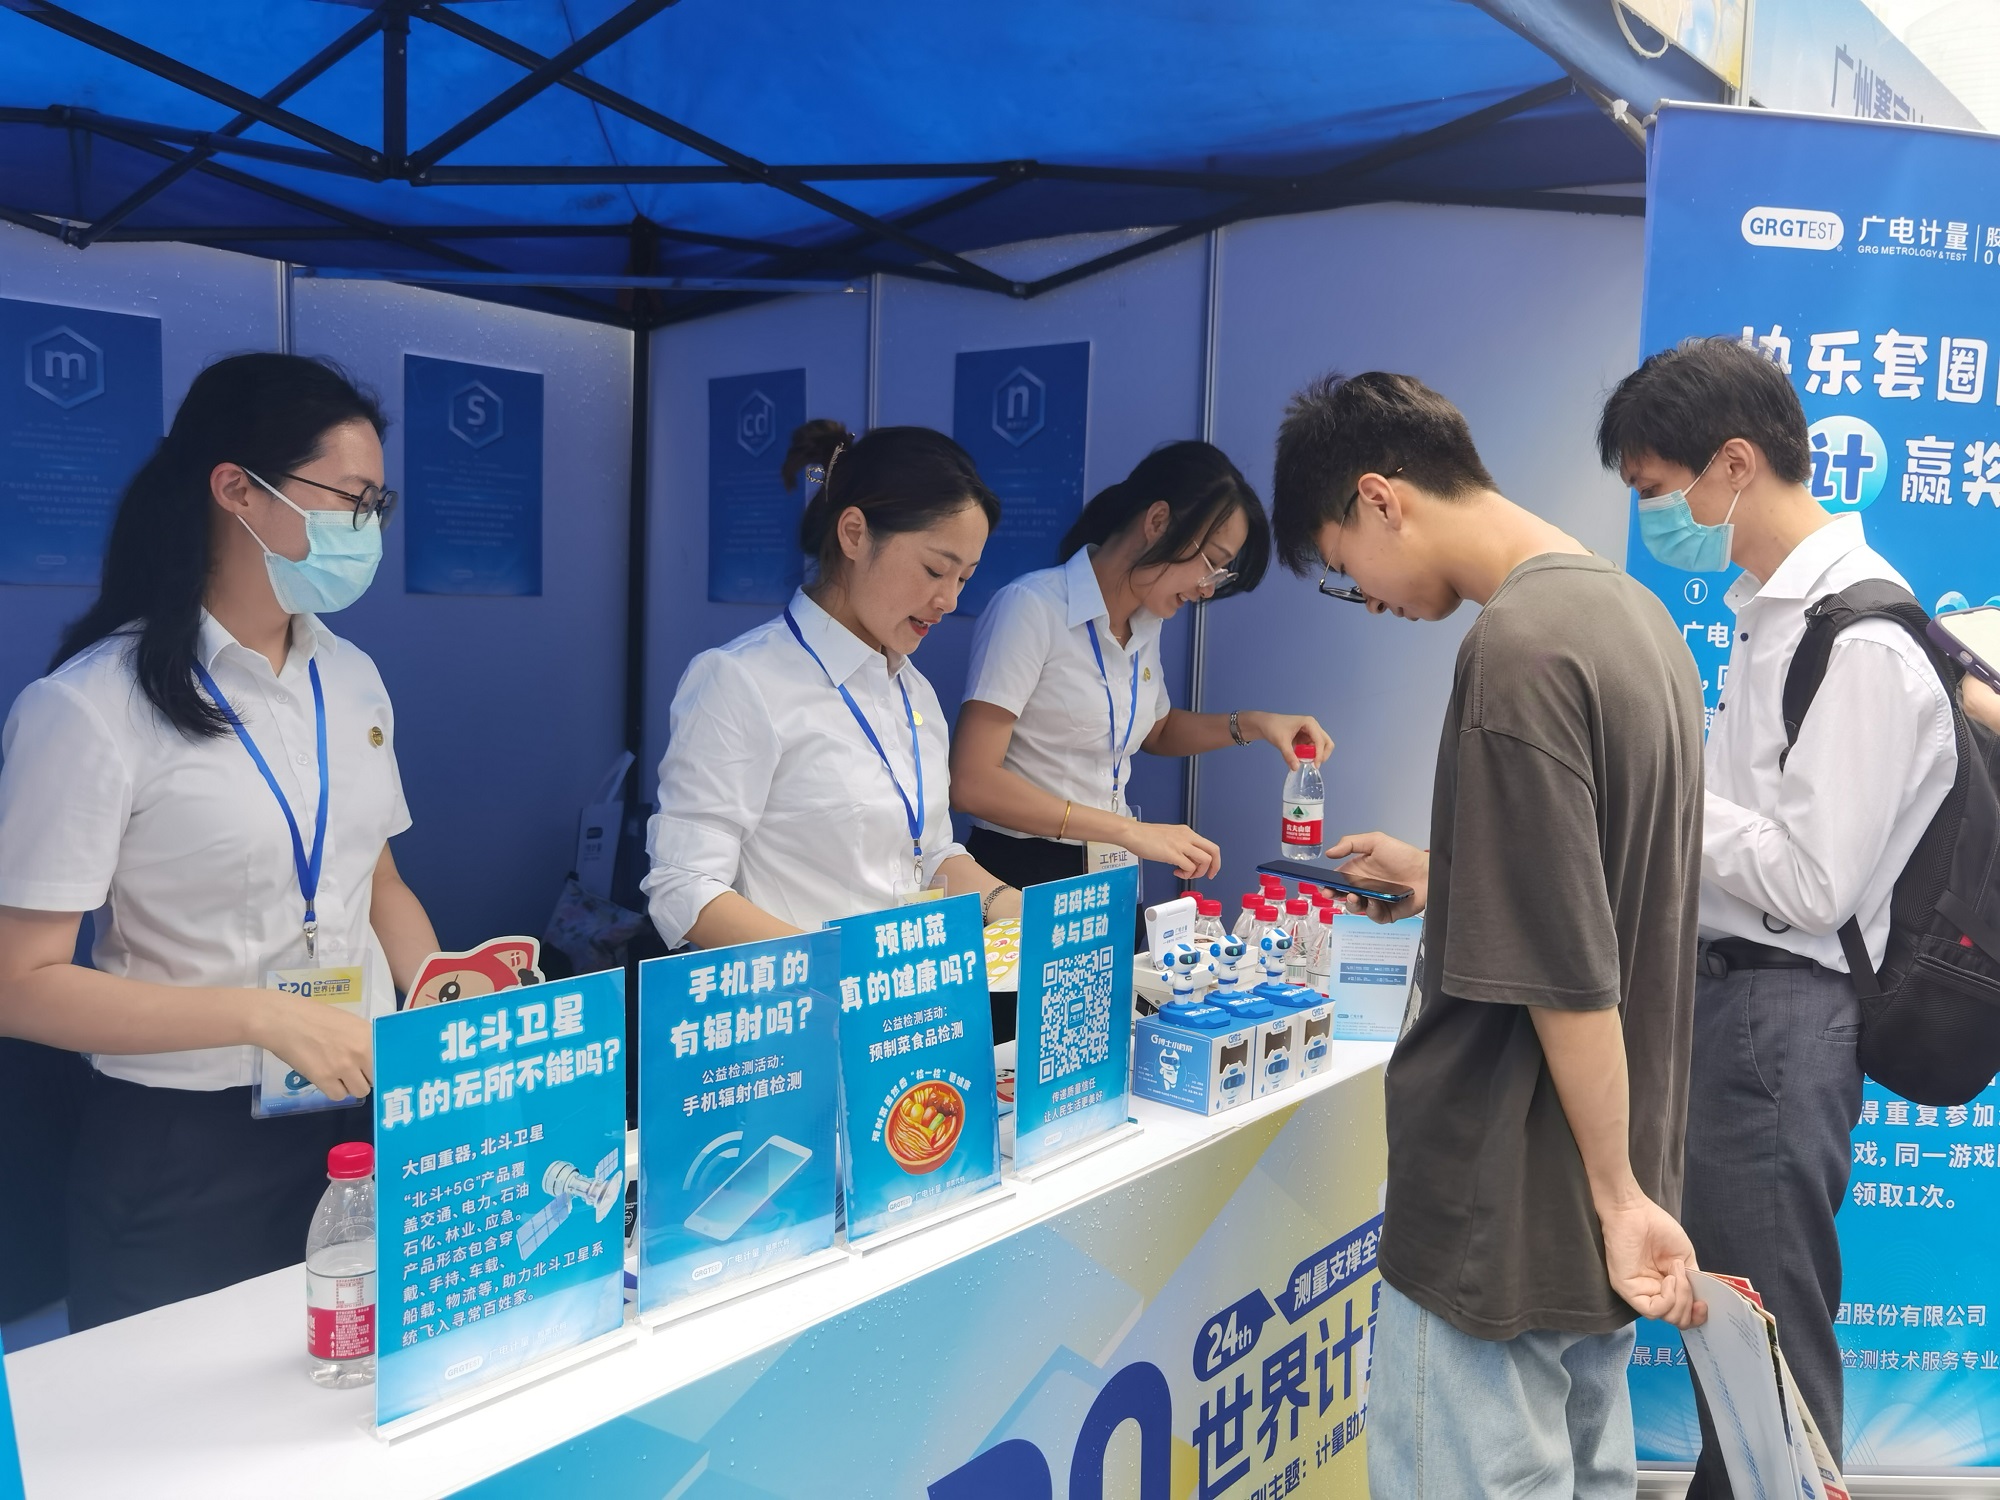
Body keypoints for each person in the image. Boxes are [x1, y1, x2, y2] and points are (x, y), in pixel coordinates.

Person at [1270, 371, 1708, 1497]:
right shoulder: (1633, 617)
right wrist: (1446, 875)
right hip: (1594, 1181)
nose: (1366, 602)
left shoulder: (1514, 648)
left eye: (1343, 570)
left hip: (1502, 1191)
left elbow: (1566, 969)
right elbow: (1612, 884)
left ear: (1379, 499)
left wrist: (1617, 1195)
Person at [0, 353, 439, 1330]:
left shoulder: (353, 678)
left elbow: (379, 883)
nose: (367, 528)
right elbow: (19, 983)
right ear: (237, 490)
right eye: (350, 500)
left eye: (378, 504)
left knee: (349, 1385)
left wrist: (445, 1000)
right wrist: (259, 1017)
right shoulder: (90, 707)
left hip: (356, 1117)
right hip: (183, 1148)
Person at [1597, 336, 1957, 1495]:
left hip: (1780, 1015)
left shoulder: (1857, 639)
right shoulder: (1775, 615)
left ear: (1732, 465)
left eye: (1656, 489)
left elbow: (1811, 882)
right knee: (1735, 1347)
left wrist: (1665, 789)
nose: (1654, 518)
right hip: (1737, 1006)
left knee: (1769, 1360)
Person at [644, 420, 1025, 950]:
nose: (949, 600)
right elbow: (685, 887)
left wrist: (1027, 914)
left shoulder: (914, 691)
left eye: (964, 578)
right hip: (803, 996)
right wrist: (839, 971)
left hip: (906, 992)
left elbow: (929, 855)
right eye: (936, 570)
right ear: (854, 534)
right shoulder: (742, 679)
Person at [950, 441, 1332, 890]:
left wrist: (1258, 724)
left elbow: (1158, 730)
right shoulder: (1031, 608)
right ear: (1158, 521)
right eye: (1212, 562)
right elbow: (972, 782)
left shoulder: (1146, 623)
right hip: (1022, 867)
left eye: (1222, 574)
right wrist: (1129, 831)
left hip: (1108, 865)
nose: (1208, 589)